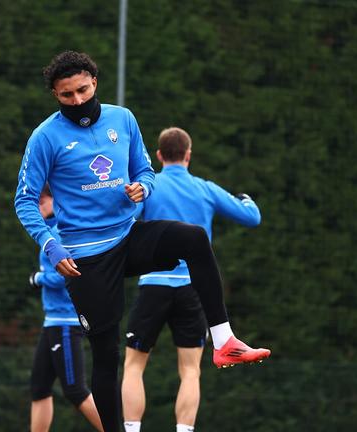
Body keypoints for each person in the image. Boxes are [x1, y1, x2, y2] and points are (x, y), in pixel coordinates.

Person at [13, 51, 270, 432]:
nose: (79, 101)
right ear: (55, 95)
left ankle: (224, 340)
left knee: (194, 239)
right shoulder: (45, 137)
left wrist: (143, 188)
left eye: (83, 90)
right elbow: (24, 200)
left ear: (95, 83)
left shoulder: (123, 118)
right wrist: (52, 247)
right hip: (85, 257)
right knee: (106, 356)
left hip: (127, 237)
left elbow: (145, 171)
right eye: (67, 95)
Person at [121, 127, 263, 432]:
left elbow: (126, 222)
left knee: (133, 367)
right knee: (190, 371)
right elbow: (251, 217)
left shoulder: (150, 186)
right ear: (188, 155)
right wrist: (246, 198)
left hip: (153, 286)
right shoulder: (204, 188)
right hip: (193, 291)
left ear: (159, 156)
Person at [28, 185, 103, 432]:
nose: (38, 207)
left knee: (75, 389)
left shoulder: (61, 231)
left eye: (42, 201)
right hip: (52, 322)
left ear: (54, 199)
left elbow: (67, 275)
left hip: (66, 322)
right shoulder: (50, 230)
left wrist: (38, 279)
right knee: (39, 388)